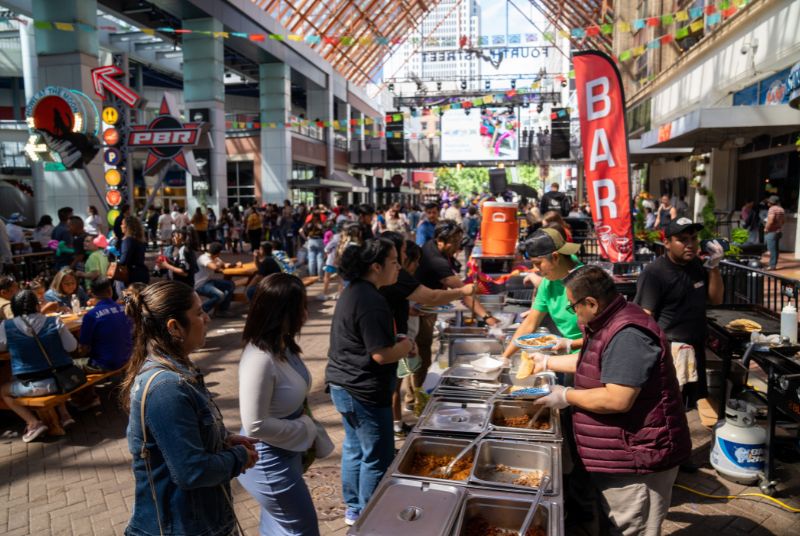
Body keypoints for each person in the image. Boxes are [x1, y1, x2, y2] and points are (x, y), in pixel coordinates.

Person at [532, 266, 691, 536]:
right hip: (622, 452)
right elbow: (595, 364)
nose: (574, 315)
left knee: (630, 528)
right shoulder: (607, 321)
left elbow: (617, 399)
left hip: (639, 457)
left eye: (573, 308)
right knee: (612, 524)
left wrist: (565, 395)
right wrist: (547, 361)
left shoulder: (628, 333)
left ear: (591, 303)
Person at [121, 280, 258, 536]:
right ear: (174, 327)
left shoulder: (177, 372)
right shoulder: (166, 388)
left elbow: (183, 441)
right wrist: (240, 458)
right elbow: (191, 472)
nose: (206, 318)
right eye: (198, 312)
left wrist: (223, 440)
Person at [325, 238, 414, 526]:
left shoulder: (354, 291)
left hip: (343, 384)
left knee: (354, 448)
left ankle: (354, 509)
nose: (399, 267)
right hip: (362, 389)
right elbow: (380, 355)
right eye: (393, 262)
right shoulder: (371, 300)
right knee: (377, 455)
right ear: (376, 267)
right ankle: (370, 515)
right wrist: (405, 345)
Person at [238, 274, 333, 536]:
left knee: (278, 528)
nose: (306, 313)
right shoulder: (259, 358)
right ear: (283, 312)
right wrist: (305, 427)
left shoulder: (283, 345)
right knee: (302, 529)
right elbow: (255, 424)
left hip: (286, 453)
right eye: (301, 306)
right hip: (268, 462)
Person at [379, 232, 474, 436]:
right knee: (393, 384)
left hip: (400, 338)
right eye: (401, 253)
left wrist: (410, 310)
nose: (404, 262)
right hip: (393, 341)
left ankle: (397, 421)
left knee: (398, 379)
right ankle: (395, 425)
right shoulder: (398, 275)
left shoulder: (393, 277)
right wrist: (464, 291)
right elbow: (431, 296)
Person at [634, 218, 724, 409]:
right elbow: (644, 317)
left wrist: (714, 267)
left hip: (695, 347)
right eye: (682, 240)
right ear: (667, 242)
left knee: (689, 406)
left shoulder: (697, 266)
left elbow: (716, 299)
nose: (690, 245)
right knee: (667, 407)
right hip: (670, 351)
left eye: (693, 238)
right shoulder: (655, 273)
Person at [411, 221, 498, 409]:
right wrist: (487, 318)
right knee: (420, 355)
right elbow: (464, 293)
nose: (459, 246)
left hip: (425, 307)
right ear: (441, 241)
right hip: (419, 311)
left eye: (460, 241)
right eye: (455, 241)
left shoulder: (432, 248)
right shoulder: (436, 260)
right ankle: (418, 401)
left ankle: (412, 397)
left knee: (416, 354)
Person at [0, 290, 78, 442]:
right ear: (37, 305)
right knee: (56, 370)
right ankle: (64, 414)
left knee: (3, 391)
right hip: (63, 382)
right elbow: (72, 347)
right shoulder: (54, 321)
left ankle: (33, 423)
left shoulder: (6, 326)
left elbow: (1, 347)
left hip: (33, 386)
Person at [502, 228, 584, 361]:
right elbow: (530, 324)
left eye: (538, 264)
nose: (537, 270)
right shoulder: (548, 283)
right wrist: (505, 358)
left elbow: (604, 335)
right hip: (571, 357)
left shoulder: (585, 282)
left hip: (592, 358)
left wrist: (571, 344)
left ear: (556, 257)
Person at [78, 278, 132, 373]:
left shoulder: (91, 315)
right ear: (110, 291)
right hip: (127, 358)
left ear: (92, 293)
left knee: (72, 363)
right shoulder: (124, 309)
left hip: (105, 364)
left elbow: (83, 348)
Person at [195, 242, 237, 316]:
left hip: (209, 281)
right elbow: (214, 267)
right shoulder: (203, 258)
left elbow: (224, 265)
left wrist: (235, 265)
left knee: (230, 284)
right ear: (217, 253)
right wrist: (220, 265)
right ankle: (201, 311)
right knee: (220, 295)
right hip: (200, 285)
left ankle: (222, 310)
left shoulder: (215, 257)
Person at [119, 216, 150, 285]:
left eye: (122, 224)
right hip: (142, 273)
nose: (121, 226)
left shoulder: (128, 240)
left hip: (132, 275)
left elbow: (123, 260)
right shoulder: (139, 240)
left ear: (127, 226)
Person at [301, 210, 325, 278]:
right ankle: (320, 276)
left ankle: (312, 276)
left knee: (311, 259)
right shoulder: (321, 223)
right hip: (320, 240)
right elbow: (324, 231)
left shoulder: (309, 223)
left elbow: (301, 231)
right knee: (320, 259)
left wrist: (305, 238)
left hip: (311, 241)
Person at [764, 195, 785, 270]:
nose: (767, 203)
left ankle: (772, 266)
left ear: (772, 202)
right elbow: (783, 221)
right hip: (778, 231)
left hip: (772, 232)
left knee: (771, 249)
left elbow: (771, 220)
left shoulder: (772, 209)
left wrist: (766, 228)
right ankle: (774, 264)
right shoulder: (781, 209)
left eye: (769, 202)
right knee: (775, 249)